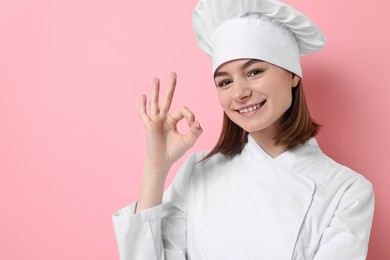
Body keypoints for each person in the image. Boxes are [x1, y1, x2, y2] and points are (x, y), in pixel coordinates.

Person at [112, 0, 374, 259]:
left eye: (254, 71)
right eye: (224, 81)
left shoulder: (347, 191)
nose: (239, 93)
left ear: (293, 73)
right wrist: (156, 167)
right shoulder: (199, 172)